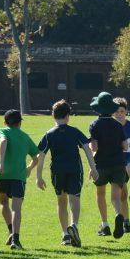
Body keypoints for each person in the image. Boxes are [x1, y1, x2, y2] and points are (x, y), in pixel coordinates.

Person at [35, 100, 97, 248]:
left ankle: (65, 234)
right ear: (68, 116)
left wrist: (38, 177)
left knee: (61, 200)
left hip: (57, 171)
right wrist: (93, 168)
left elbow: (41, 156)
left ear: (53, 115)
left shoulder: (49, 134)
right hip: (75, 169)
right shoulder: (74, 131)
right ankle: (74, 225)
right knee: (74, 198)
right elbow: (87, 149)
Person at [88, 92, 130, 239]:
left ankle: (105, 225)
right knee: (116, 198)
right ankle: (119, 214)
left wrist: (92, 165)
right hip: (118, 164)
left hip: (101, 164)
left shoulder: (94, 125)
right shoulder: (118, 125)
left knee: (101, 193)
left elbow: (94, 148)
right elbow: (125, 146)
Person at [0, 110, 40, 250]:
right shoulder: (25, 137)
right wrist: (29, 168)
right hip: (19, 177)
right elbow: (36, 157)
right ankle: (16, 238)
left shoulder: (2, 131)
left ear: (5, 122)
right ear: (20, 123)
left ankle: (10, 230)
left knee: (3, 203)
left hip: (2, 175)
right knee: (17, 208)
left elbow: (3, 141)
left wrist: (1, 163)